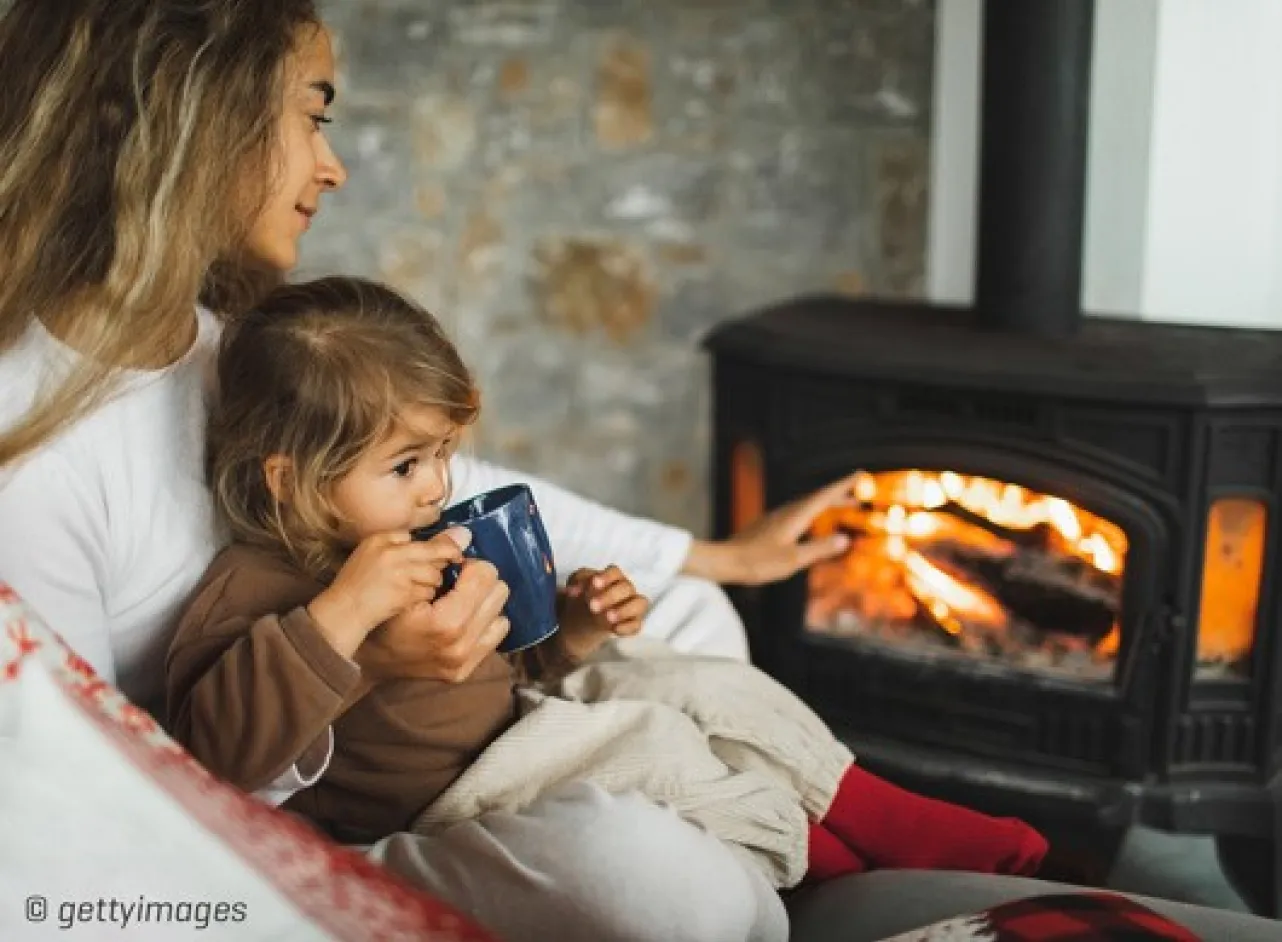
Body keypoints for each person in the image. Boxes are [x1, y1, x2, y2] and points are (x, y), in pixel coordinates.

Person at [0, 2, 854, 939]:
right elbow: (91, 809)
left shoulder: (219, 348)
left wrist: (712, 556)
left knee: (693, 610)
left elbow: (455, 486)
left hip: (423, 730)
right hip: (279, 828)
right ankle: (723, 858)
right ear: (197, 115)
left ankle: (723, 840)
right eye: (314, 116)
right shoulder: (28, 455)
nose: (334, 164)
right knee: (650, 880)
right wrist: (362, 662)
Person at [167, 276, 1048, 891]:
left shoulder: (415, 532)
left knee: (688, 677)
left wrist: (573, 633)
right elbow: (218, 755)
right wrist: (345, 619)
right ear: (289, 479)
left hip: (521, 720)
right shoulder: (247, 591)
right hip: (454, 793)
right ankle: (836, 879)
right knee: (656, 746)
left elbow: (504, 673)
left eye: (443, 455)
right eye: (407, 464)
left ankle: (885, 812)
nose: (439, 486)